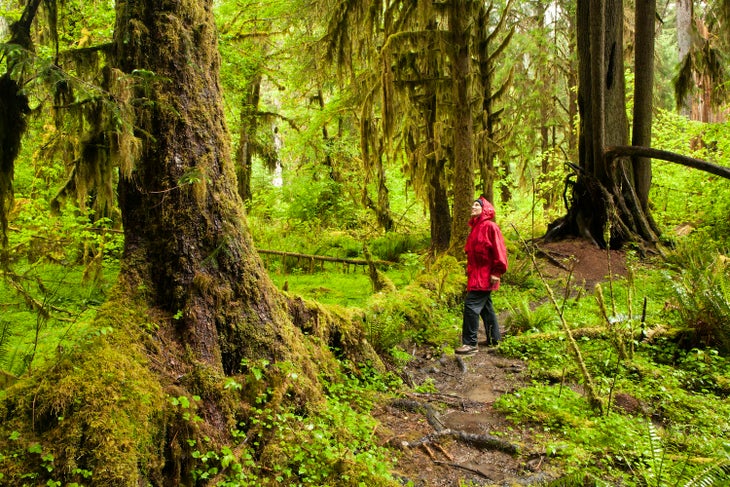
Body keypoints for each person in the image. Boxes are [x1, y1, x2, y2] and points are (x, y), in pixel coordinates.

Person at [455, 195, 508, 355]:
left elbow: (500, 250)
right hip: (476, 275)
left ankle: (470, 344)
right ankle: (494, 338)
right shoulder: (475, 228)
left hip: (486, 275)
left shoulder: (491, 227)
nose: (473, 207)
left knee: (471, 305)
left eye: (477, 205)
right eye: (472, 205)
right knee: (486, 307)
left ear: (484, 209)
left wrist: (497, 272)